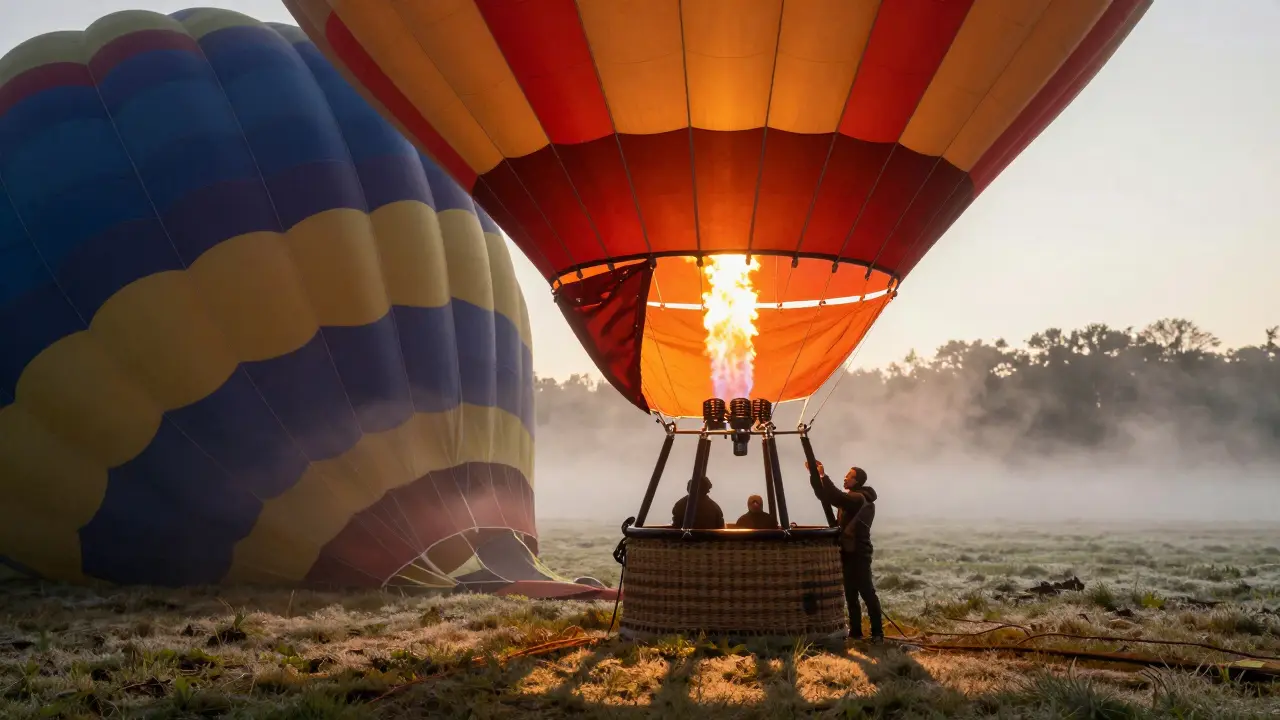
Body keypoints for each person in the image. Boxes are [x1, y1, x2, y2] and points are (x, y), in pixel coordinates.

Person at [807, 460, 882, 642]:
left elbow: (836, 497)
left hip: (859, 553)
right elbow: (825, 496)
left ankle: (877, 633)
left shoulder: (857, 498)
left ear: (856, 481)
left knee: (866, 592)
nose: (845, 477)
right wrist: (815, 476)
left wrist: (824, 476)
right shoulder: (853, 498)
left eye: (849, 476)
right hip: (849, 552)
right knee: (850, 593)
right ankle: (856, 632)